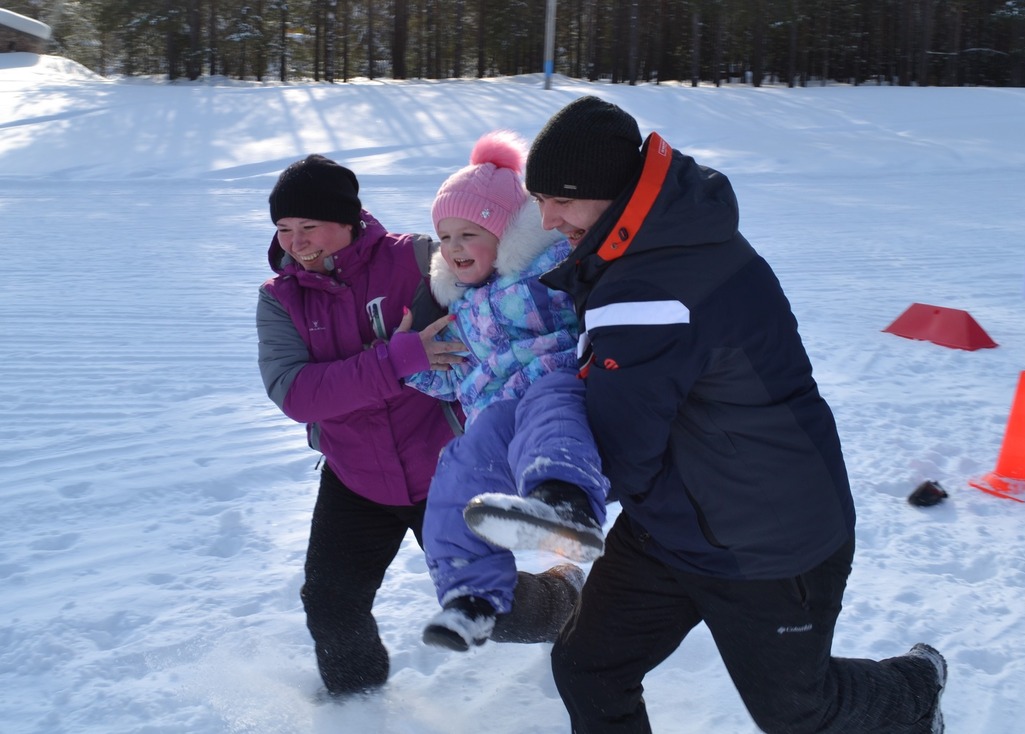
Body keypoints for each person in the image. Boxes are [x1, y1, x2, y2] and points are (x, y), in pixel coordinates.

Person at [525, 96, 948, 733]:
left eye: (561, 198)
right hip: (671, 522)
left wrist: (523, 442)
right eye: (538, 198)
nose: (548, 219)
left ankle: (916, 687)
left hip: (767, 540)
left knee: (799, 713)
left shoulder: (653, 289)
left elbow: (617, 452)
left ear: (613, 193)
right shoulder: (655, 241)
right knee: (588, 666)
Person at [256, 154, 466, 697]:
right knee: (330, 605)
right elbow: (295, 392)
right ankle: (359, 707)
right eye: (283, 229)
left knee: (492, 604)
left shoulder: (422, 258)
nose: (295, 243)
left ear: (349, 221)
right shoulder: (280, 298)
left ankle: (562, 601)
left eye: (308, 227)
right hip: (355, 478)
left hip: (445, 470)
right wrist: (397, 359)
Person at [402, 130, 610, 652]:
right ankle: (470, 598)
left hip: (558, 386)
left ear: (505, 235)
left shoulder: (545, 270)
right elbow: (452, 373)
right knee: (456, 467)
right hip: (496, 415)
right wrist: (413, 359)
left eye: (468, 234)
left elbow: (594, 298)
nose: (453, 249)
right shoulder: (462, 306)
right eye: (444, 238)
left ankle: (564, 501)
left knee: (549, 409)